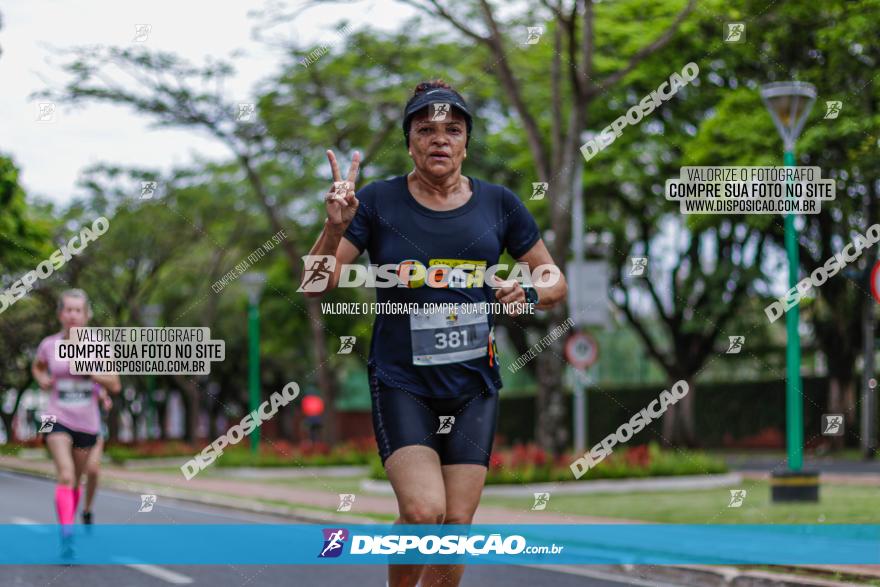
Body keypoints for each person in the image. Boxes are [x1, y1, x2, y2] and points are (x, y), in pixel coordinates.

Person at [303, 80, 567, 587]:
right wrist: (334, 227)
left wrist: (529, 293)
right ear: (410, 143)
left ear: (467, 142)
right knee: (425, 513)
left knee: (456, 527)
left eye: (453, 130)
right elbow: (315, 284)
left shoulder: (500, 204)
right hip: (404, 383)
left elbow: (555, 279)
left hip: (473, 386)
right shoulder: (378, 202)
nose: (440, 139)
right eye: (426, 130)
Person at [31, 289, 121, 540]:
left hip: (88, 421)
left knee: (81, 476)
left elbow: (115, 383)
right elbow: (37, 367)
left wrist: (90, 373)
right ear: (60, 314)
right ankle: (67, 531)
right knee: (66, 474)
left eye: (77, 310)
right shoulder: (49, 345)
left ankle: (80, 513)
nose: (72, 315)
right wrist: (42, 379)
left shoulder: (99, 345)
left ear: (86, 315)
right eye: (68, 310)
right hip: (55, 417)